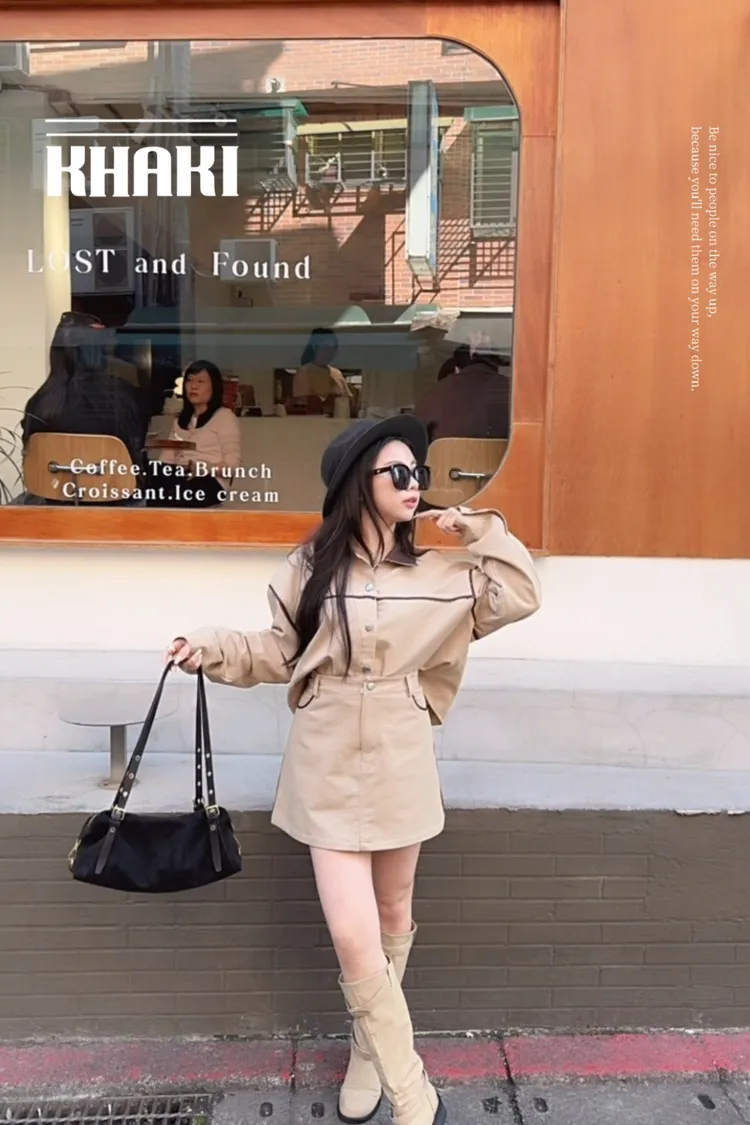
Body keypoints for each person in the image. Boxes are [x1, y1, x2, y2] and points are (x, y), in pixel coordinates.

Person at [166, 416, 541, 1125]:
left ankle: (369, 1052)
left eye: (418, 472)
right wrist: (208, 647)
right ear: (356, 484)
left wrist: (476, 527)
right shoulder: (309, 568)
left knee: (394, 913)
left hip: (401, 748)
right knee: (351, 931)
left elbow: (520, 593)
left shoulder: (442, 574)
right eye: (398, 472)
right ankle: (413, 1093)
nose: (414, 483)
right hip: (326, 754)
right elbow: (277, 650)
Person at [18, 311, 148, 503]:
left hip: (54, 503)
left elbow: (32, 458)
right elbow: (135, 453)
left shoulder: (39, 403)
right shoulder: (119, 397)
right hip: (114, 502)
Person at [153, 360, 242, 508]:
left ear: (214, 387)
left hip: (209, 481)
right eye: (189, 380)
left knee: (176, 494)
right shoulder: (180, 420)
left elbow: (233, 465)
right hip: (181, 479)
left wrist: (202, 468)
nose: (193, 386)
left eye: (201, 381)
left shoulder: (224, 417)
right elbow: (166, 459)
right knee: (154, 481)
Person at [414, 347, 511, 443]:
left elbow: (416, 437)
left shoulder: (433, 396)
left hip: (448, 453)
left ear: (456, 369)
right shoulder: (512, 391)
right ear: (496, 368)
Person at [292, 328, 353, 416]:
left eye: (333, 349)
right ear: (315, 348)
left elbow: (348, 400)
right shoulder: (304, 373)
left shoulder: (336, 373)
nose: (330, 353)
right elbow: (303, 405)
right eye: (326, 348)